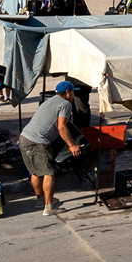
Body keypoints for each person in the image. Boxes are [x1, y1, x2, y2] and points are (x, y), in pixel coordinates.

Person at [20, 81, 85, 216]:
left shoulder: (49, 101)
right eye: (73, 91)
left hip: (24, 138)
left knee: (35, 172)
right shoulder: (65, 104)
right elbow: (62, 127)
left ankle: (40, 200)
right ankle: (49, 208)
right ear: (67, 92)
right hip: (38, 141)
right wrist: (72, 145)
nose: (73, 94)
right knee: (49, 173)